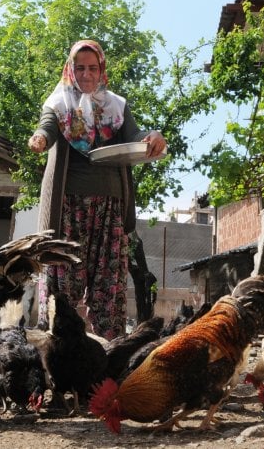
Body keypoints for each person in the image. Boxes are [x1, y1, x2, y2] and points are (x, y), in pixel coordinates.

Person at [28, 39, 166, 340]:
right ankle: (55, 353)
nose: (87, 74)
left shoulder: (116, 106)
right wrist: (39, 138)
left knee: (109, 285)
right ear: (70, 69)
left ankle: (109, 358)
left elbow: (135, 134)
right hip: (69, 209)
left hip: (110, 208)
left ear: (101, 69)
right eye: (80, 67)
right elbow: (47, 127)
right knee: (62, 288)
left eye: (93, 67)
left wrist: (153, 136)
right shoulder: (59, 103)